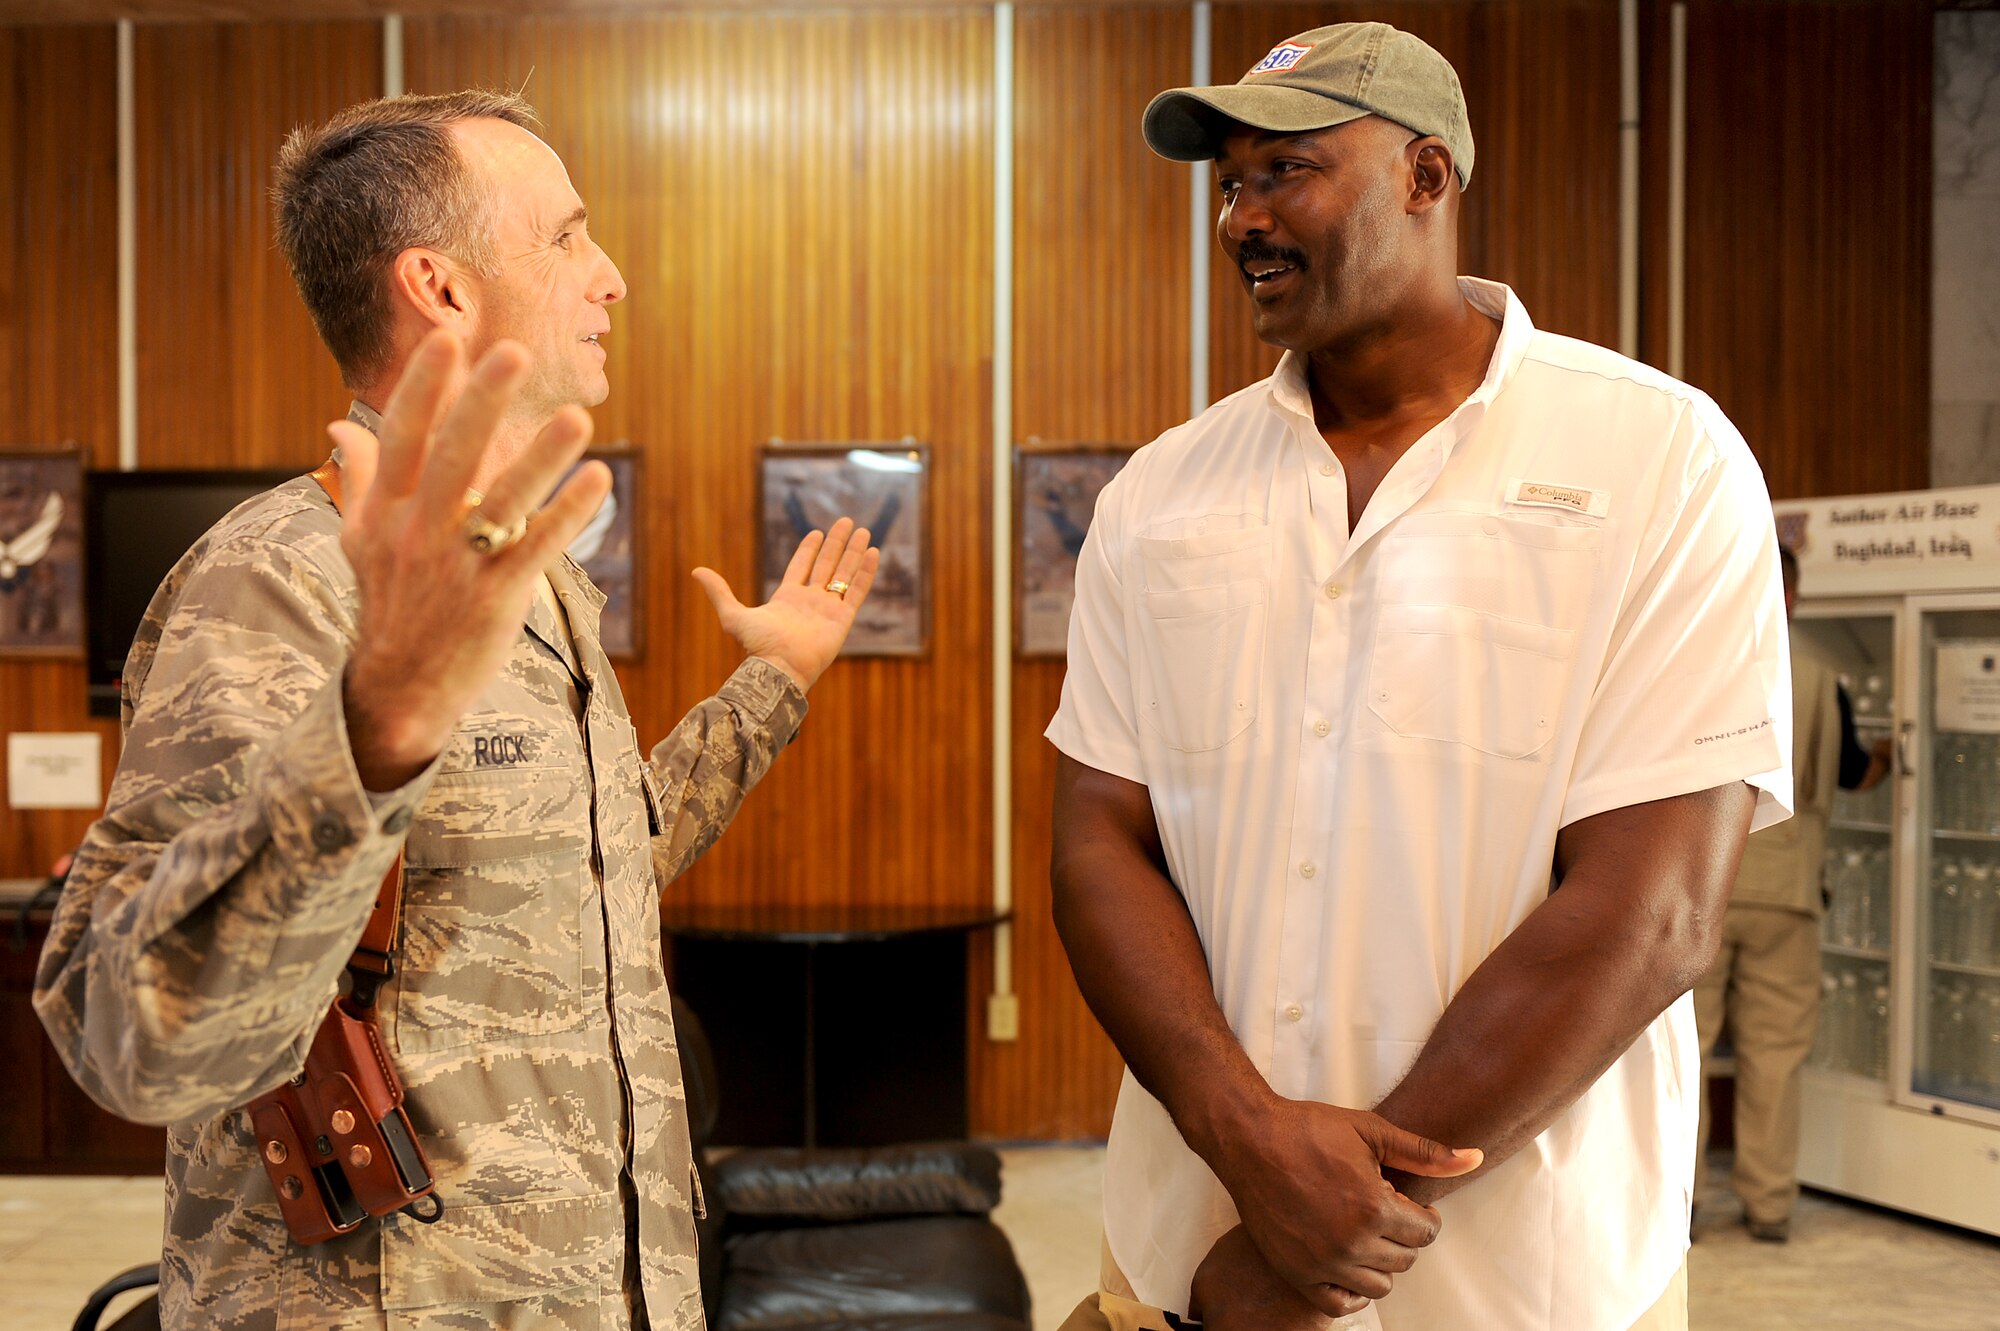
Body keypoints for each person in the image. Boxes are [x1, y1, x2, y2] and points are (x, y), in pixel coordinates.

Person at [34, 90, 879, 1330]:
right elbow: (131, 1035)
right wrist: (368, 733)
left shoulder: (536, 581)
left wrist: (772, 684)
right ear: (438, 286)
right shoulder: (278, 577)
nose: (611, 275)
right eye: (566, 236)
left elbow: (592, 864)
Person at [1046, 23, 1791, 1331]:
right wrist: (1247, 1142)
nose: (1241, 218)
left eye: (1285, 172)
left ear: (1426, 176)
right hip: (1190, 1228)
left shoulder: (1658, 459)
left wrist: (1321, 1230)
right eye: (1230, 182)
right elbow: (1100, 839)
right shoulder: (1162, 491)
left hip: (1523, 1273)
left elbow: (1653, 902)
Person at [1692, 546, 1887, 1242]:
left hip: (1703, 889)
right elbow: (1855, 773)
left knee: (1686, 1050)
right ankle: (1769, 1205)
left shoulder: (1698, 668)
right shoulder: (1823, 681)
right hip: (1789, 893)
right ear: (1794, 596)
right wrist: (1890, 755)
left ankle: (1682, 1204)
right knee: (1773, 1053)